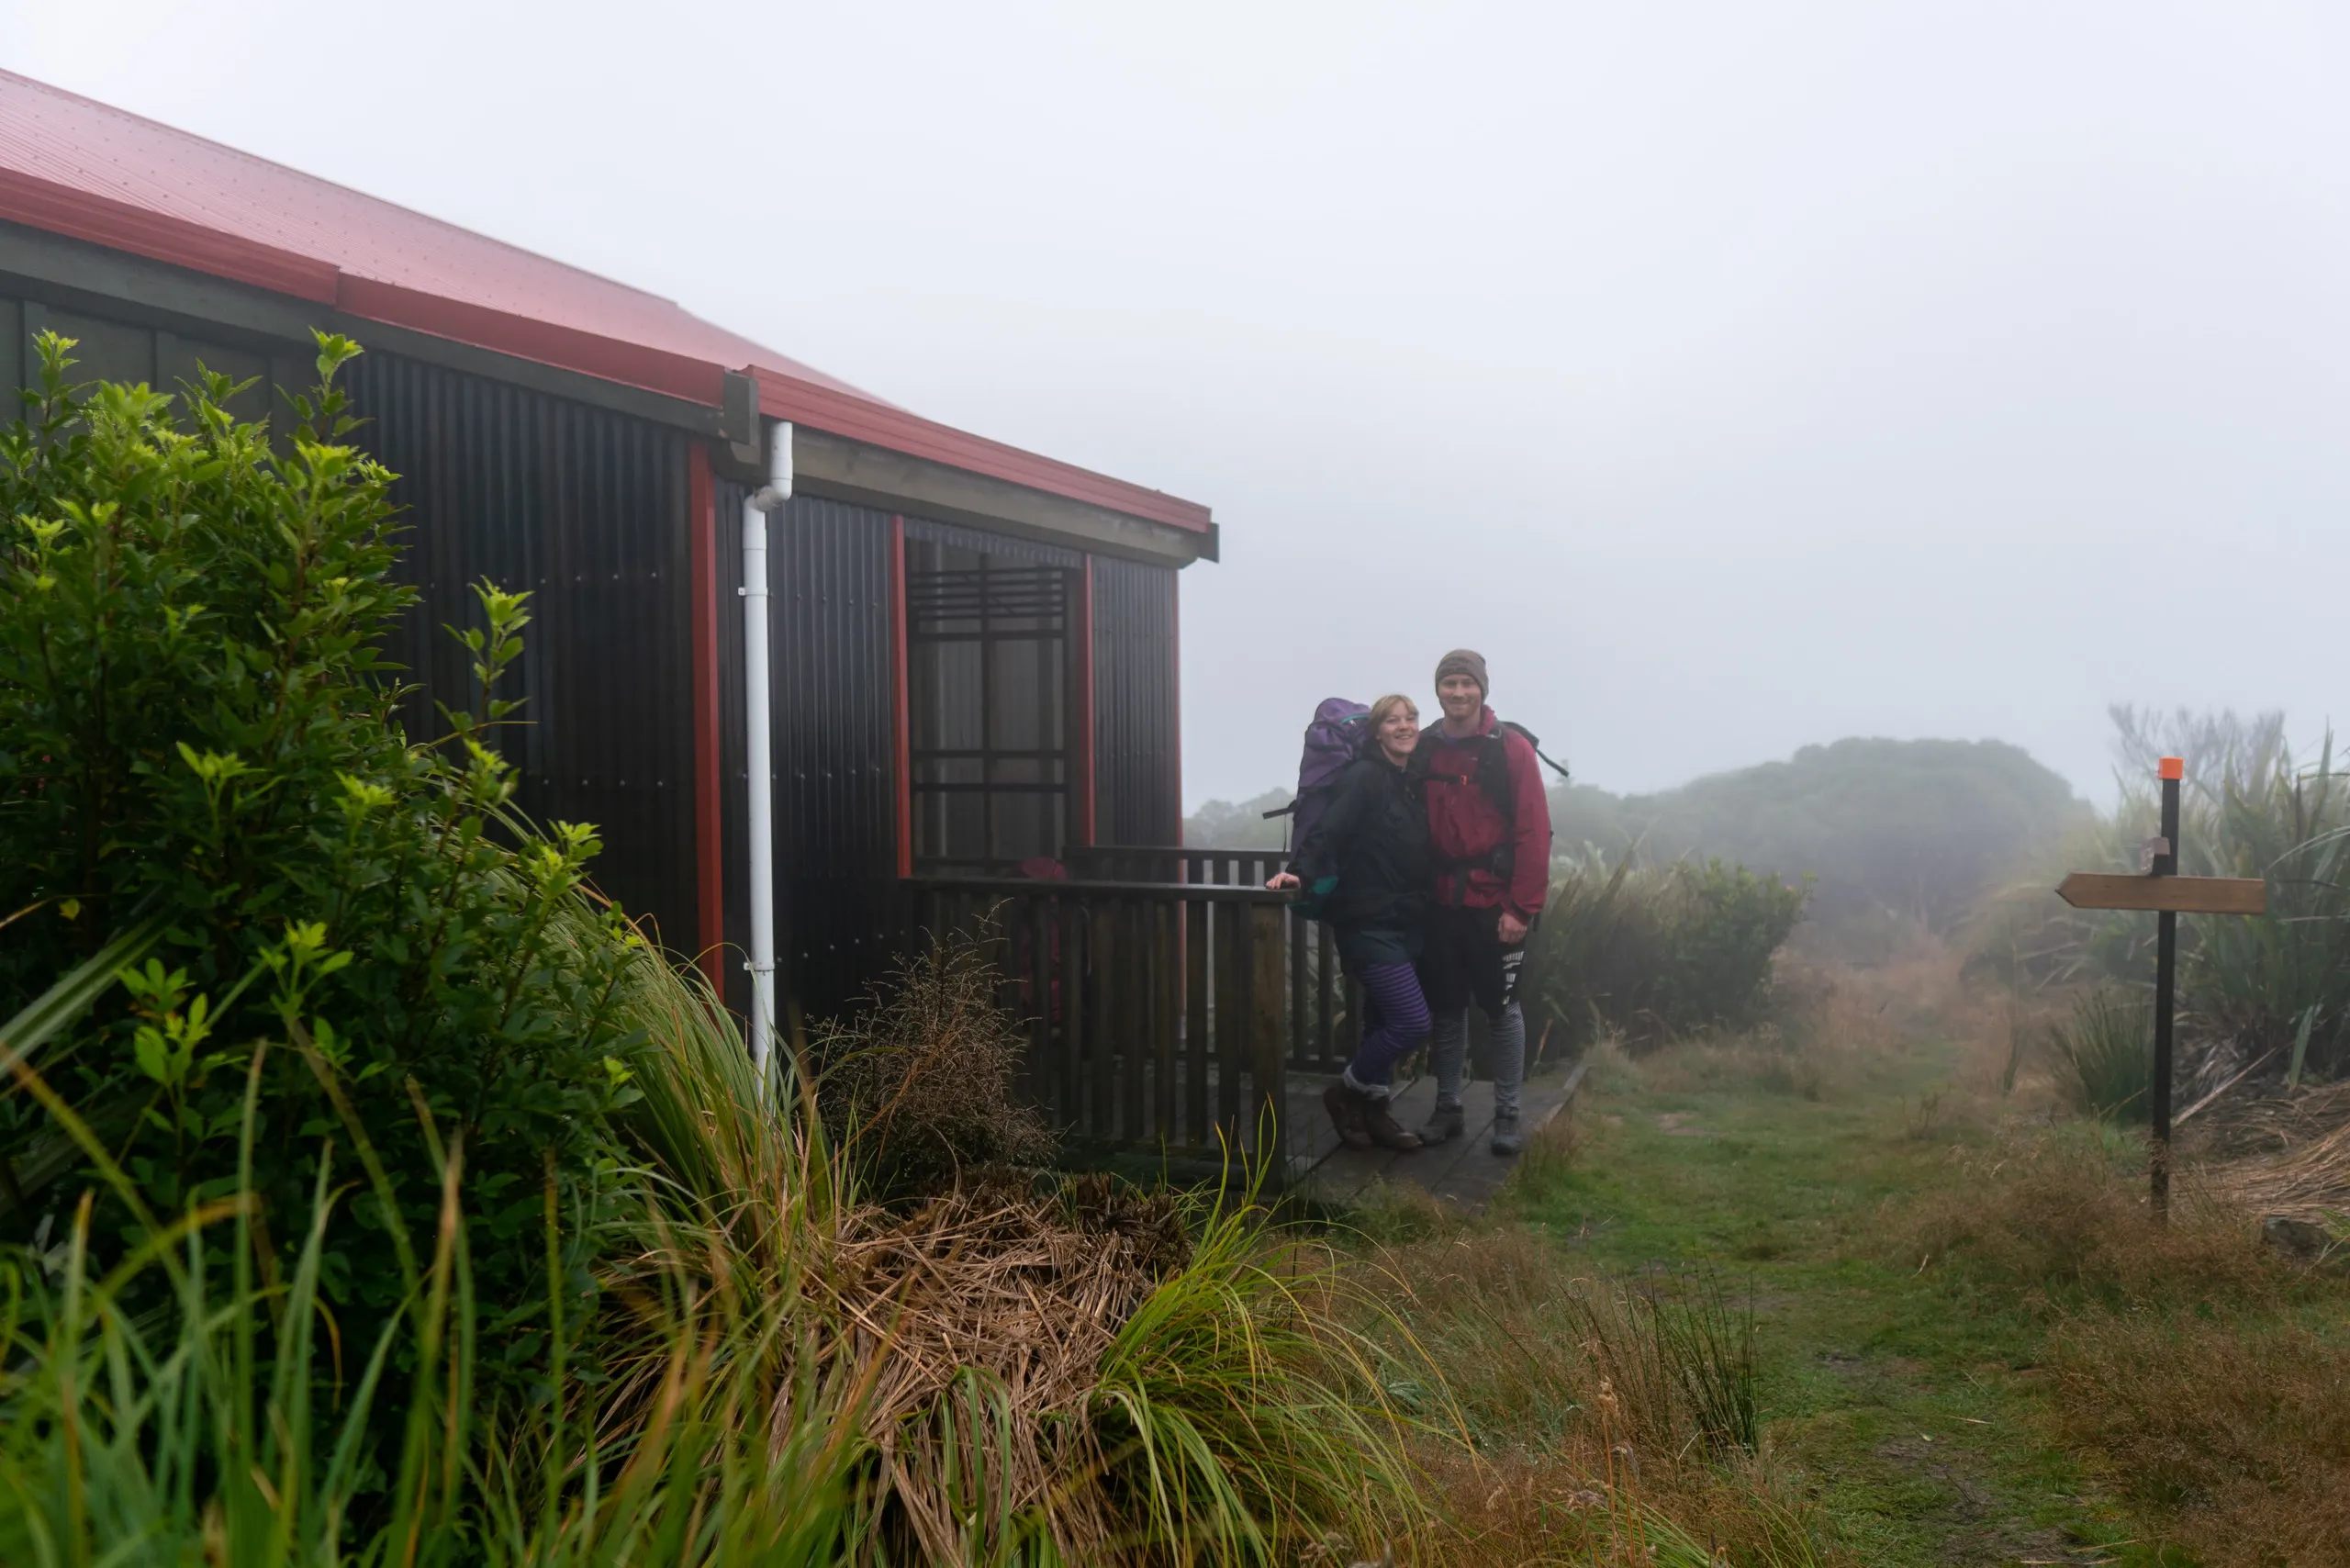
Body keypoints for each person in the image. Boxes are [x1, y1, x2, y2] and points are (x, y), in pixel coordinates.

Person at [1268, 693, 1432, 1152]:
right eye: (1392, 720)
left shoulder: (1409, 779)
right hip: (1367, 920)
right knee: (1412, 1021)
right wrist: (1299, 871)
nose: (1404, 726)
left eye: (1411, 718)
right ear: (1375, 732)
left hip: (1406, 920)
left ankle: (1375, 1112)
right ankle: (1344, 1093)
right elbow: (1330, 831)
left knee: (1381, 1022)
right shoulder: (1364, 777)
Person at [1410, 649, 1554, 1154]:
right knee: (1447, 1009)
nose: (1457, 692)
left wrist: (1522, 909)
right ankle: (1449, 1107)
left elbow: (1535, 831)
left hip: (1495, 904)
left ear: (1482, 690)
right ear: (1438, 691)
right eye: (1448, 683)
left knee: (1503, 1009)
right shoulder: (1424, 747)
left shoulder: (1509, 748)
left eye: (1466, 684)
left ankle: (1508, 1113)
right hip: (1441, 902)